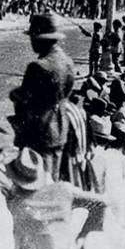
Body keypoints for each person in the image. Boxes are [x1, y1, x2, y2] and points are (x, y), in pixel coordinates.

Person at [9, 13, 74, 180]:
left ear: (40, 39)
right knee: (53, 177)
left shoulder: (38, 66)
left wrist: (15, 94)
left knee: (36, 178)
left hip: (38, 130)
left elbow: (25, 98)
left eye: (33, 38)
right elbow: (67, 92)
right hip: (60, 127)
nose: (31, 42)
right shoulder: (67, 61)